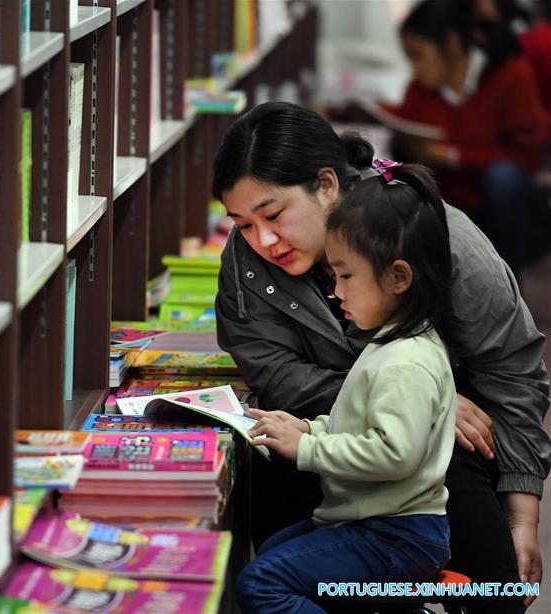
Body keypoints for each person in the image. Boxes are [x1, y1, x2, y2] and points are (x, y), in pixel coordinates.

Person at [214, 101, 550, 613]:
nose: (262, 241)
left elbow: (512, 368)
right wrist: (411, 396)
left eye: (273, 215)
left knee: (498, 594)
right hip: (322, 445)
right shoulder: (247, 265)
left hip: (443, 456)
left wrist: (522, 515)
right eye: (241, 223)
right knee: (275, 553)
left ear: (327, 185)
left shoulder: (434, 235)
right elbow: (277, 373)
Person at [236, 163, 457, 614]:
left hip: (396, 535)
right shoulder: (392, 342)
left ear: (398, 278)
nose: (336, 292)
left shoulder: (405, 362)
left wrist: (306, 450)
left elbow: (395, 454)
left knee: (262, 583)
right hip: (376, 523)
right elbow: (359, 424)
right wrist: (308, 429)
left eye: (346, 276)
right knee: (275, 546)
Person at [390, 0, 549, 279]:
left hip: (504, 207)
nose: (414, 68)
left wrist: (452, 156)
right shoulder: (421, 89)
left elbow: (528, 157)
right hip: (449, 203)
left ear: (450, 44)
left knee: (503, 178)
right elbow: (402, 121)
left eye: (418, 56)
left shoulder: (511, 75)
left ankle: (508, 278)